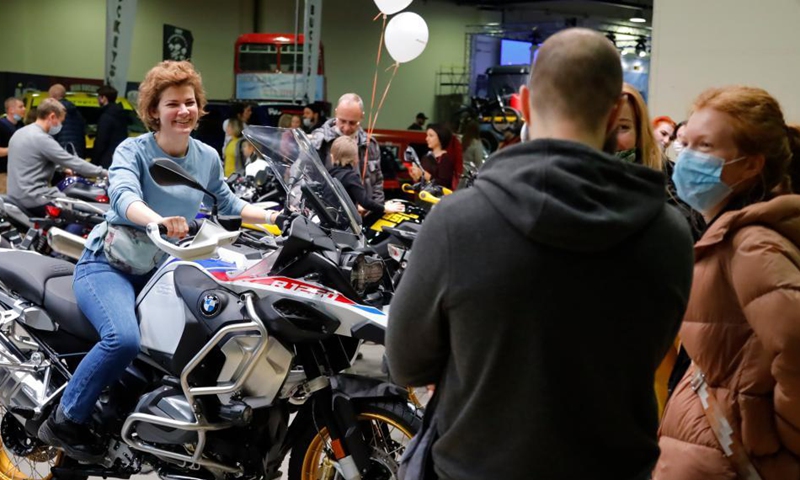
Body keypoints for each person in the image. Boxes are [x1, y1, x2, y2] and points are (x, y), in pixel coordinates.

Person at [387, 28, 694, 480]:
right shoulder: (669, 234)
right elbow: (651, 350)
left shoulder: (456, 223)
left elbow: (405, 362)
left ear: (525, 105)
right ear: (614, 114)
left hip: (475, 467)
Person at [37, 60, 282, 463]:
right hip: (108, 266)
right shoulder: (133, 150)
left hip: (162, 270)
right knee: (123, 340)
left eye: (190, 102)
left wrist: (278, 217)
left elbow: (229, 203)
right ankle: (65, 419)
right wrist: (158, 221)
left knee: (209, 331)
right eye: (173, 104)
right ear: (154, 110)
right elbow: (123, 196)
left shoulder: (205, 156)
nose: (184, 111)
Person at [654, 86, 800, 480]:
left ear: (750, 165)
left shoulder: (752, 245)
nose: (686, 157)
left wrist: (776, 437)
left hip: (727, 457)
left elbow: (795, 343)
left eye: (704, 146)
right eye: (685, 143)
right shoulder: (723, 235)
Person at [7, 98, 106, 218]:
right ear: (52, 116)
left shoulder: (20, 133)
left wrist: (63, 169)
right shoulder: (42, 138)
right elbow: (73, 161)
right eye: (60, 121)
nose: (60, 126)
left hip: (15, 196)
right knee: (82, 216)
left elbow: (35, 158)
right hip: (35, 198)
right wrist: (104, 173)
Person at [311, 93, 384, 203]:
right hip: (330, 211)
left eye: (352, 123)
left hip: (365, 211)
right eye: (342, 121)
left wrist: (376, 207)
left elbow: (377, 182)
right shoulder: (319, 142)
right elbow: (302, 177)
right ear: (336, 113)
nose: (346, 128)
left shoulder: (370, 145)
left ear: (362, 116)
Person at [328, 136, 403, 215]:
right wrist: (386, 208)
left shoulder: (331, 173)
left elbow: (339, 200)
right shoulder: (351, 177)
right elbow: (365, 202)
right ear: (355, 158)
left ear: (332, 156)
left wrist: (356, 207)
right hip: (343, 221)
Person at [615, 83, 663, 170]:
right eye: (604, 127)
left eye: (622, 127)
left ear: (639, 131)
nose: (612, 138)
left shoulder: (666, 175)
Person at [94, 85, 129, 169]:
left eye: (99, 97)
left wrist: (94, 161)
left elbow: (101, 141)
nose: (97, 100)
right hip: (119, 157)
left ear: (104, 98)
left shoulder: (106, 116)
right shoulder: (121, 114)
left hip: (106, 160)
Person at [48, 83, 87, 157]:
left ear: (53, 97)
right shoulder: (77, 113)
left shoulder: (54, 112)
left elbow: (51, 137)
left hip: (60, 154)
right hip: (77, 153)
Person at [0, 97, 26, 194]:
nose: (24, 109)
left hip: (19, 173)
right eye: (21, 107)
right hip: (3, 173)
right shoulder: (1, 126)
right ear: (11, 110)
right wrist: (14, 149)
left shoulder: (21, 125)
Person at [421, 123, 455, 189]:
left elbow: (443, 184)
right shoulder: (426, 157)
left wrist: (424, 174)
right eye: (427, 135)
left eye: (431, 136)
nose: (427, 138)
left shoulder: (445, 159)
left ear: (441, 137)